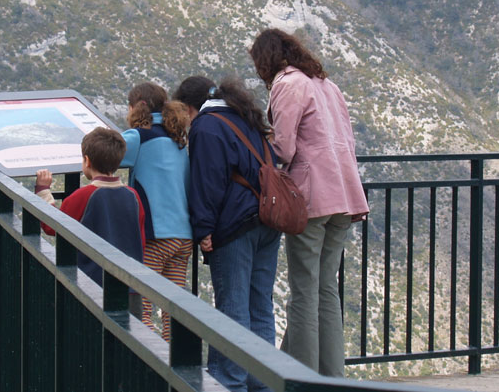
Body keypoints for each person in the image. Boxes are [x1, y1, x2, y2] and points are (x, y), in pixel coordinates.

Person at [248, 28, 369, 377]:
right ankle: (332, 378)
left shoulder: (288, 84)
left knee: (303, 291)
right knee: (326, 289)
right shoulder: (327, 86)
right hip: (345, 194)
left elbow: (284, 149)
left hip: (310, 198)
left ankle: (301, 379)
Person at [175, 75, 280, 392]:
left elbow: (208, 182)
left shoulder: (207, 127)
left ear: (190, 107)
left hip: (234, 226)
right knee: (260, 307)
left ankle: (229, 384)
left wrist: (204, 229)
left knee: (232, 309)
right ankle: (262, 384)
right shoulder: (247, 117)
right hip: (267, 221)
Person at [120, 81, 193, 340]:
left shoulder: (138, 137)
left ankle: (151, 366)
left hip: (154, 237)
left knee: (144, 309)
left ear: (137, 107)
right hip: (183, 237)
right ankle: (175, 367)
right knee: (173, 312)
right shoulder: (179, 138)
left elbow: (106, 154)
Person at [35, 126, 145, 286]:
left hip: (93, 284)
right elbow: (140, 238)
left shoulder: (83, 196)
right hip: (130, 283)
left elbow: (53, 227)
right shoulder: (133, 196)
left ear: (87, 160)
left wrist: (43, 191)